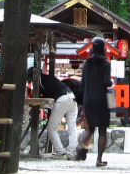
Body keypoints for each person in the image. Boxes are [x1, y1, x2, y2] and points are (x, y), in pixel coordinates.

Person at [77, 37, 113, 166]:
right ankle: (99, 159)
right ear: (103, 48)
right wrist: (111, 83)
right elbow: (106, 82)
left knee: (90, 128)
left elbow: (82, 83)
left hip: (88, 98)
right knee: (102, 129)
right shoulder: (106, 63)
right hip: (101, 99)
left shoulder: (87, 64)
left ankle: (80, 146)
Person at [28, 67, 78, 158]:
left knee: (51, 128)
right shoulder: (49, 77)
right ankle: (72, 152)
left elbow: (43, 97)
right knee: (72, 127)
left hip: (62, 99)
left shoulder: (40, 83)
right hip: (71, 97)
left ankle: (60, 151)